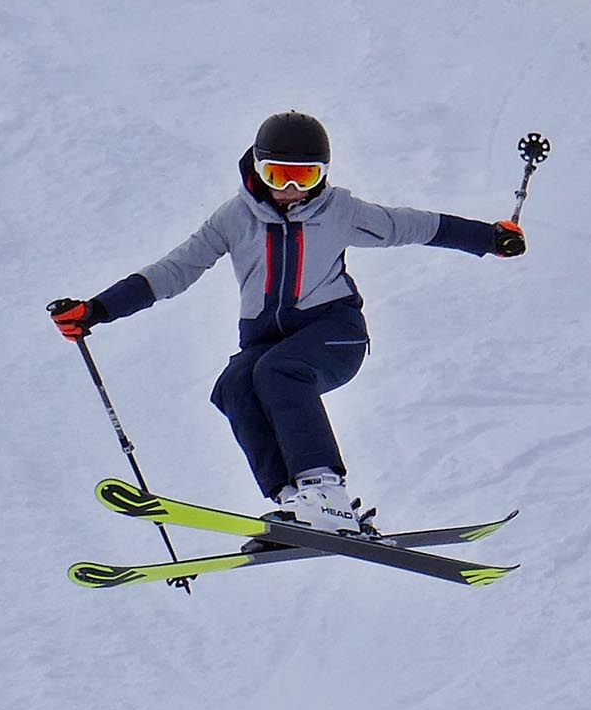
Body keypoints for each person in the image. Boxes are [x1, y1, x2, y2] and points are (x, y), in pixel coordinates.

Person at [49, 111, 525, 533]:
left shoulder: (339, 212)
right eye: (277, 173)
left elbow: (410, 225)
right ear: (256, 169)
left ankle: (326, 492)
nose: (291, 189)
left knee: (278, 372)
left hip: (334, 334)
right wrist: (99, 309)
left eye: (304, 176)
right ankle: (294, 502)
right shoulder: (235, 218)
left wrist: (488, 237)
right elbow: (177, 269)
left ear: (322, 175)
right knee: (236, 384)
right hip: (268, 341)